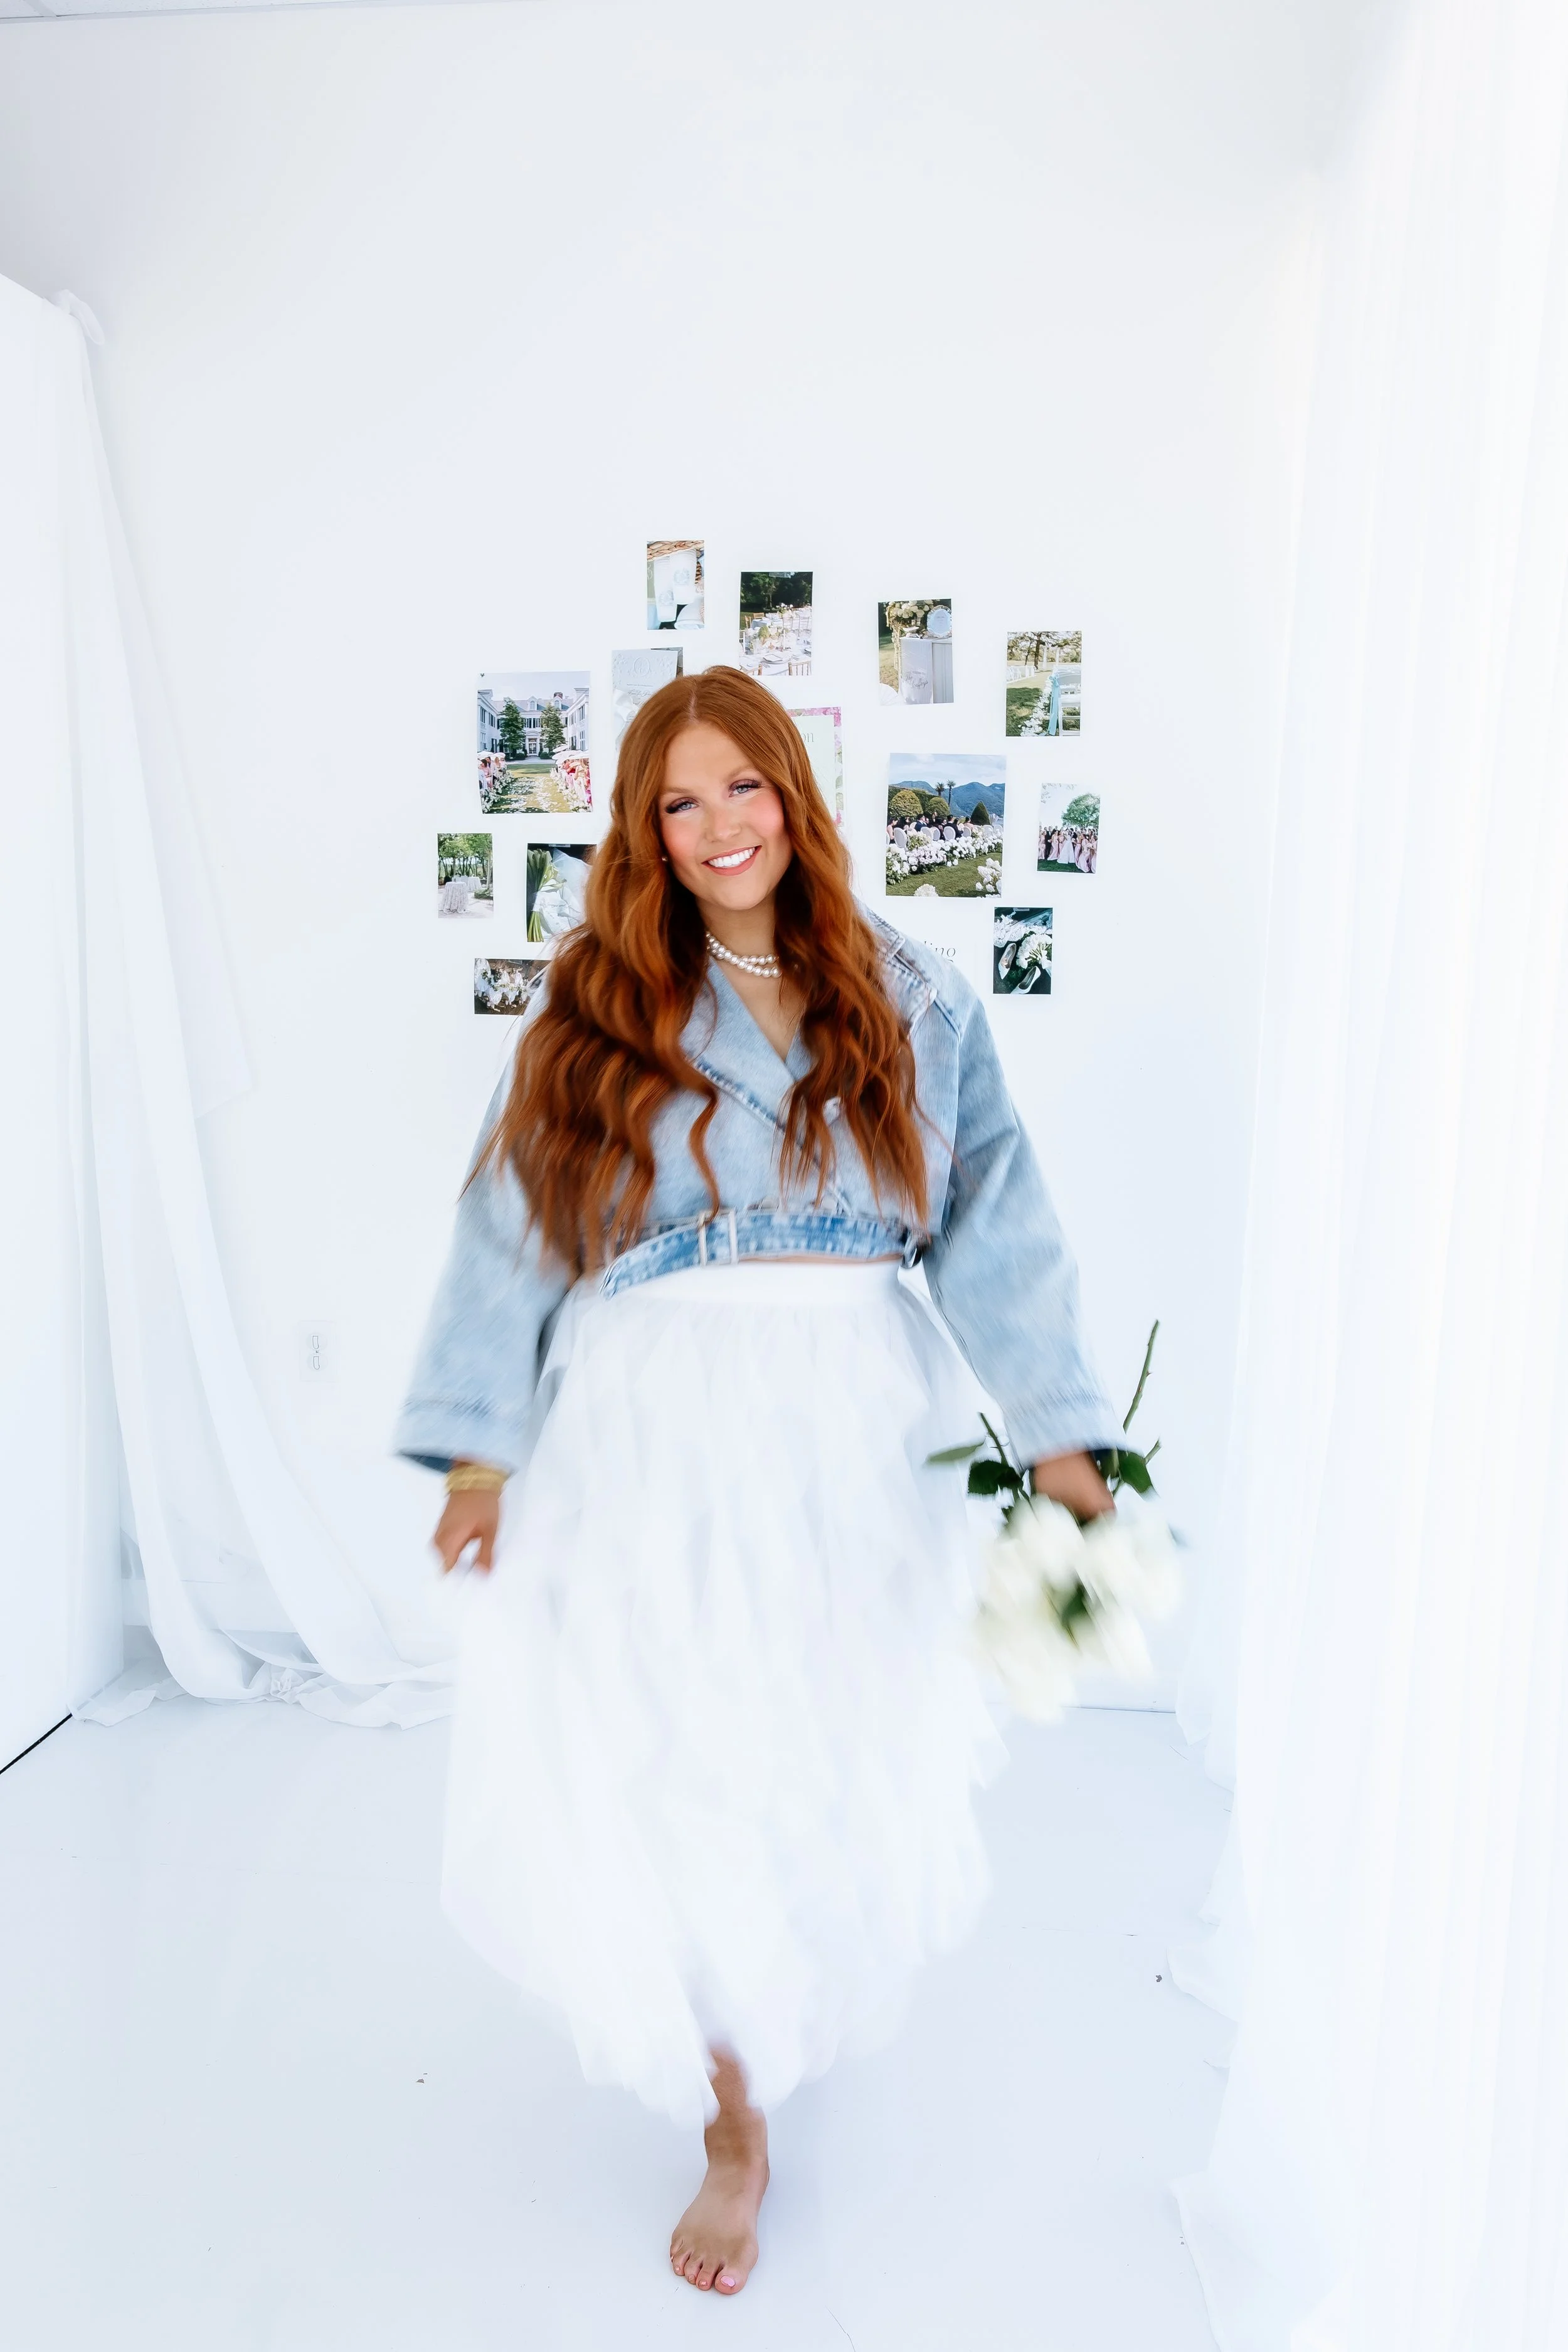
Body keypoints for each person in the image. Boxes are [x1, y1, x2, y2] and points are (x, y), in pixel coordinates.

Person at [395, 666, 1116, 2297]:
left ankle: (781, 1996)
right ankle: (731, 2120)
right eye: (678, 801)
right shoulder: (601, 1002)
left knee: (825, 1731)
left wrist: (1059, 1436)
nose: (718, 825)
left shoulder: (910, 996)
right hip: (656, 1429)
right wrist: (478, 1449)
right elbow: (511, 1223)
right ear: (645, 833)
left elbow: (997, 1223)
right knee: (683, 1750)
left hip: (855, 1419)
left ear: (792, 795)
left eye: (744, 787)